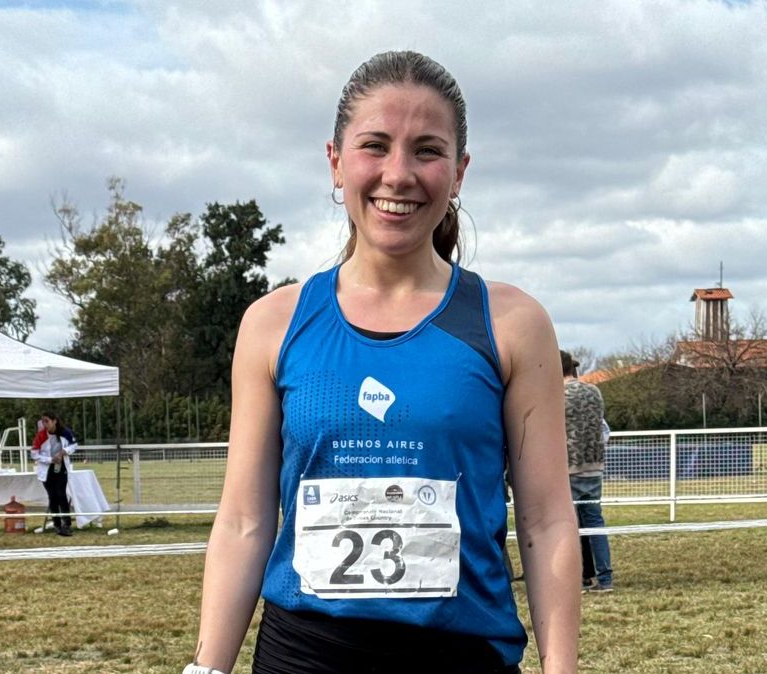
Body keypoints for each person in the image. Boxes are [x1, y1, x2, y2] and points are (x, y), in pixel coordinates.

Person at [186, 51, 580, 674]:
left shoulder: (512, 324)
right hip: (304, 656)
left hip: (462, 655)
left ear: (459, 172)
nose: (399, 174)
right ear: (336, 161)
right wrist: (206, 669)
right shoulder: (273, 323)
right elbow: (243, 522)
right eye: (375, 145)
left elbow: (547, 521)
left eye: (427, 151)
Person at [561, 351, 613, 593]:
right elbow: (603, 429)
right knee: (595, 524)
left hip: (568, 467)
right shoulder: (595, 392)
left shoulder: (556, 395)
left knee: (568, 526)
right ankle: (605, 578)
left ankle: (577, 578)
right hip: (594, 467)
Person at [31, 411, 77, 536]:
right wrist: (50, 459)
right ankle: (57, 525)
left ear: (54, 421)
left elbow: (74, 445)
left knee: (61, 495)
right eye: (43, 421)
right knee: (52, 497)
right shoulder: (41, 435)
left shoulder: (65, 432)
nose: (44, 424)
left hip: (61, 468)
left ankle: (67, 524)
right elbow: (34, 454)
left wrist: (63, 452)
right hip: (47, 470)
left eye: (47, 421)